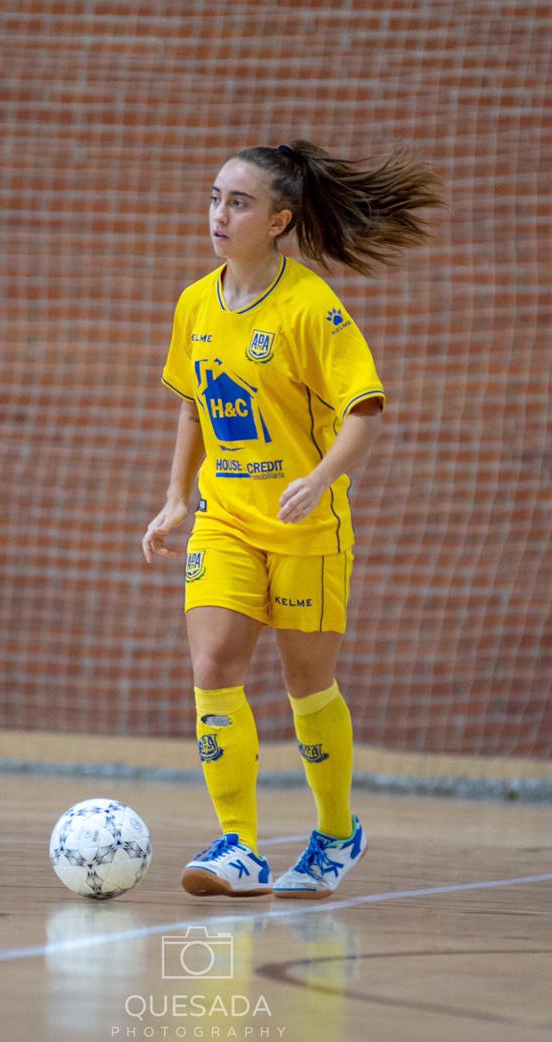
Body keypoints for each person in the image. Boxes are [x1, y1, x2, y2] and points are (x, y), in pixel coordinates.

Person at [142, 141, 442, 899]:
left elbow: (363, 411)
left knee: (307, 686)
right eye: (214, 197)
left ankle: (336, 833)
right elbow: (194, 401)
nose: (218, 213)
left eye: (238, 203)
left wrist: (320, 478)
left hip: (306, 524)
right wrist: (178, 497)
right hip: (227, 519)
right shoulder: (195, 303)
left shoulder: (311, 307)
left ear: (279, 220)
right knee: (213, 670)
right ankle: (237, 846)